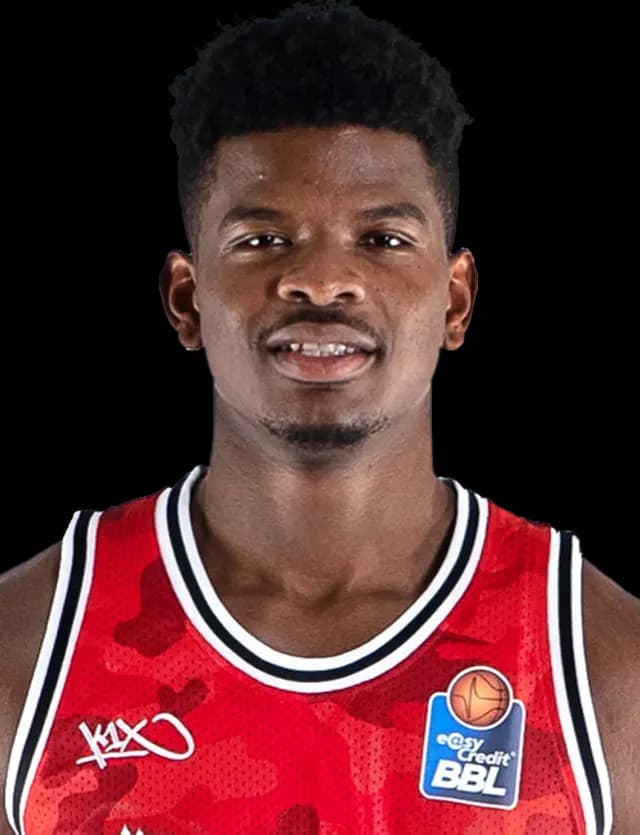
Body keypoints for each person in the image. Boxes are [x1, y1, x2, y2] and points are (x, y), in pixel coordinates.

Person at [1, 0, 638, 832]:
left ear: (456, 300)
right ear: (186, 301)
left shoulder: (601, 662)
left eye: (382, 240)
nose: (323, 280)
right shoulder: (27, 646)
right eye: (264, 241)